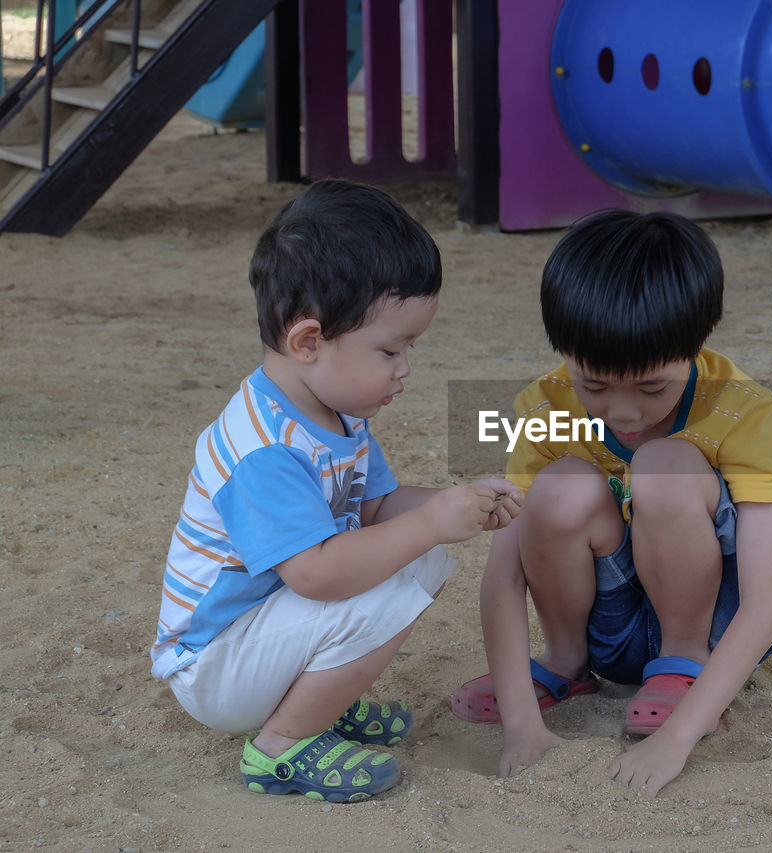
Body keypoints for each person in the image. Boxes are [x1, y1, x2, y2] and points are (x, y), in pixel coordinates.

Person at [150, 179, 522, 803]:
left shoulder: (333, 414)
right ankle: (279, 749)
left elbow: (373, 508)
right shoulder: (265, 449)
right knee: (388, 582)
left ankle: (313, 704)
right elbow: (317, 576)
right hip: (215, 667)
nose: (405, 367)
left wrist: (457, 503)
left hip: (265, 637)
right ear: (308, 341)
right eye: (390, 349)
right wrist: (432, 521)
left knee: (416, 555)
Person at [452, 209, 772, 796]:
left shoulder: (742, 408)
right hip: (609, 627)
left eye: (652, 388)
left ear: (698, 343)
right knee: (559, 485)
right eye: (593, 384)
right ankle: (567, 663)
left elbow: (767, 602)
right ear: (563, 349)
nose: (623, 412)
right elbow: (503, 575)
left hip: (721, 624)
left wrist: (677, 740)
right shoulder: (543, 409)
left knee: (662, 464)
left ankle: (681, 664)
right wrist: (522, 725)